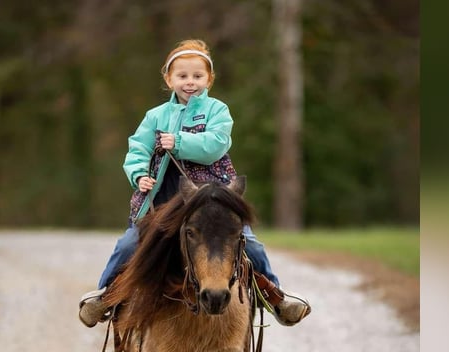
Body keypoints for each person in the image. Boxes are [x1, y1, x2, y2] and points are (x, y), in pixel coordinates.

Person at [79, 39, 310, 327]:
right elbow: (137, 148)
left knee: (249, 243)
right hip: (163, 198)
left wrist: (178, 142)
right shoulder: (156, 116)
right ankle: (106, 295)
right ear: (169, 79)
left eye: (198, 76)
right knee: (129, 244)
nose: (190, 82)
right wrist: (139, 175)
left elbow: (215, 144)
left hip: (211, 198)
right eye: (183, 76)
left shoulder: (218, 111)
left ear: (209, 79)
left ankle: (275, 297)